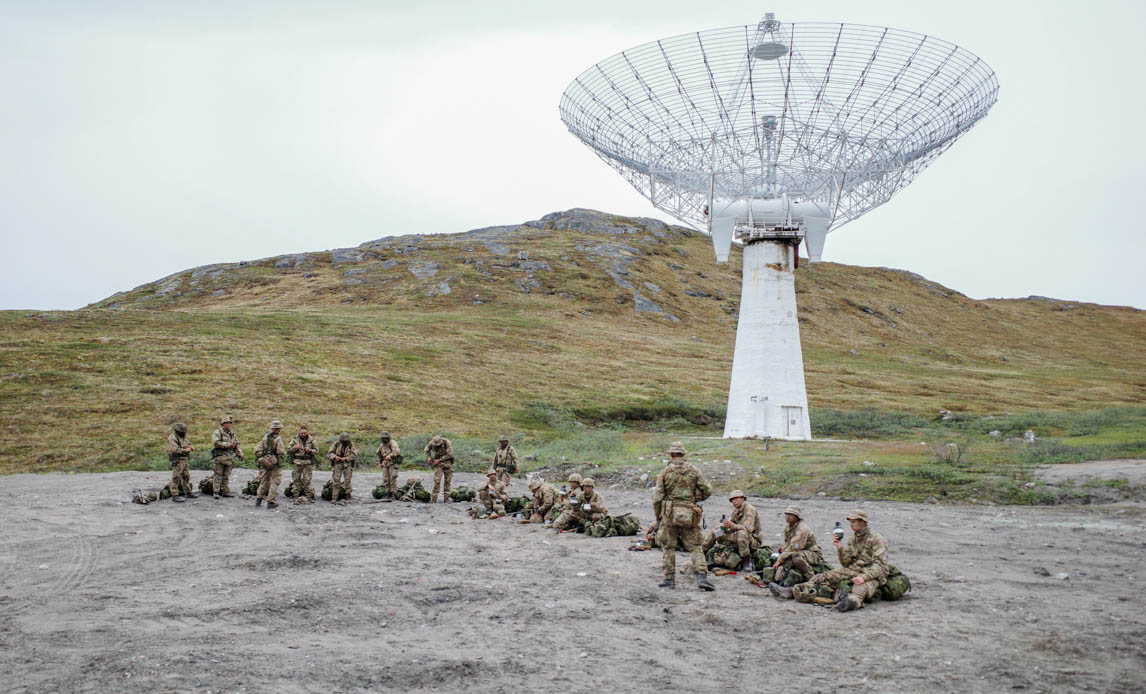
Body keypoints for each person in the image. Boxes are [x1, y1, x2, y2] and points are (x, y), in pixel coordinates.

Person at [772, 510, 889, 612]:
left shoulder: (877, 539)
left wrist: (864, 577)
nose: (851, 525)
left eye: (854, 522)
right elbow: (846, 563)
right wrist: (840, 547)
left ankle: (852, 602)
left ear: (863, 522)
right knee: (823, 576)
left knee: (860, 587)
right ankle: (792, 591)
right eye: (850, 522)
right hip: (855, 570)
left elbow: (880, 565)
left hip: (873, 575)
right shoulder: (853, 539)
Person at [652, 441, 714, 591]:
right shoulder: (694, 471)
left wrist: (658, 517)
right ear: (683, 454)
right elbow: (708, 490)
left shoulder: (665, 472)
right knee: (696, 547)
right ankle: (702, 577)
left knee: (668, 547)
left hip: (669, 515)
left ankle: (669, 579)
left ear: (671, 455)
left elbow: (657, 497)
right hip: (689, 514)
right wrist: (694, 499)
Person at [701, 490, 762, 570]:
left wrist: (732, 526)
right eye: (732, 500)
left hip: (752, 540)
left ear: (743, 498)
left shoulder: (750, 510)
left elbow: (747, 528)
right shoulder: (736, 511)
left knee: (742, 533)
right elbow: (731, 524)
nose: (734, 502)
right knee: (716, 530)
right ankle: (702, 554)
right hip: (740, 536)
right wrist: (725, 526)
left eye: (736, 499)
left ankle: (746, 560)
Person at [768, 505, 822, 586]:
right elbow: (788, 542)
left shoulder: (802, 529)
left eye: (790, 515)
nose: (787, 517)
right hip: (800, 550)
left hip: (812, 553)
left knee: (796, 557)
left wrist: (780, 559)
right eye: (786, 515)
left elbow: (795, 548)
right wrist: (784, 548)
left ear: (797, 517)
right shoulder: (789, 526)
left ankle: (811, 577)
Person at [254, 420, 286, 508]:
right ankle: (271, 502)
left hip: (265, 462)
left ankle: (258, 500)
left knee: (264, 481)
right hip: (275, 463)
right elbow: (280, 451)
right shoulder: (278, 439)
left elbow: (257, 450)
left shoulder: (265, 438)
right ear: (278, 429)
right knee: (275, 481)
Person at [209, 414, 242, 499]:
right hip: (220, 457)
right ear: (223, 424)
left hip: (230, 457)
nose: (229, 425)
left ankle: (225, 491)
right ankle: (216, 491)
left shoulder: (232, 433)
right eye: (227, 423)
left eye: (230, 423)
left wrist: (239, 452)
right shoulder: (217, 432)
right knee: (218, 474)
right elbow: (216, 443)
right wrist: (227, 445)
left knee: (226, 475)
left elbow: (237, 443)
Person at [287, 425, 319, 503]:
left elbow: (317, 450)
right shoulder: (294, 439)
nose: (303, 434)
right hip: (297, 462)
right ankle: (295, 496)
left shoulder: (312, 440)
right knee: (296, 479)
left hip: (307, 462)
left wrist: (310, 451)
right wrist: (295, 447)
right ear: (299, 432)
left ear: (307, 432)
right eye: (302, 433)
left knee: (307, 480)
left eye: (304, 433)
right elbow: (288, 450)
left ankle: (308, 496)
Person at [166, 422, 197, 502]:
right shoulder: (172, 437)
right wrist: (185, 450)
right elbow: (173, 449)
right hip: (177, 459)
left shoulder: (184, 437)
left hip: (184, 459)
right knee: (176, 477)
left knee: (186, 476)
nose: (183, 433)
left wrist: (190, 447)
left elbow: (188, 444)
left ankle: (188, 492)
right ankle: (175, 495)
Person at [327, 432, 358, 503]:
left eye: (346, 441)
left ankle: (348, 495)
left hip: (347, 464)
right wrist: (335, 457)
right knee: (336, 480)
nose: (344, 442)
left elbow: (354, 454)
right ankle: (334, 497)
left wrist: (346, 458)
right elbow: (330, 453)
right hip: (337, 464)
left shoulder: (351, 445)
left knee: (347, 480)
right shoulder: (336, 444)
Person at [424, 435, 454, 502]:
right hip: (438, 464)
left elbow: (449, 455)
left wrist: (439, 460)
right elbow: (426, 449)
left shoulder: (447, 442)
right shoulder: (432, 442)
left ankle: (446, 498)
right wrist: (428, 457)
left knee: (448, 481)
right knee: (437, 480)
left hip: (447, 462)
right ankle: (434, 498)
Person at [376, 431, 403, 497]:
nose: (383, 439)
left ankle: (393, 493)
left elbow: (397, 451)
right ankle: (387, 493)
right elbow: (378, 453)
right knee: (386, 479)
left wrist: (390, 455)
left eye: (384, 438)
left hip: (393, 464)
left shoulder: (392, 443)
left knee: (392, 478)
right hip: (385, 464)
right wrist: (380, 462)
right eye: (382, 438)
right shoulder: (382, 445)